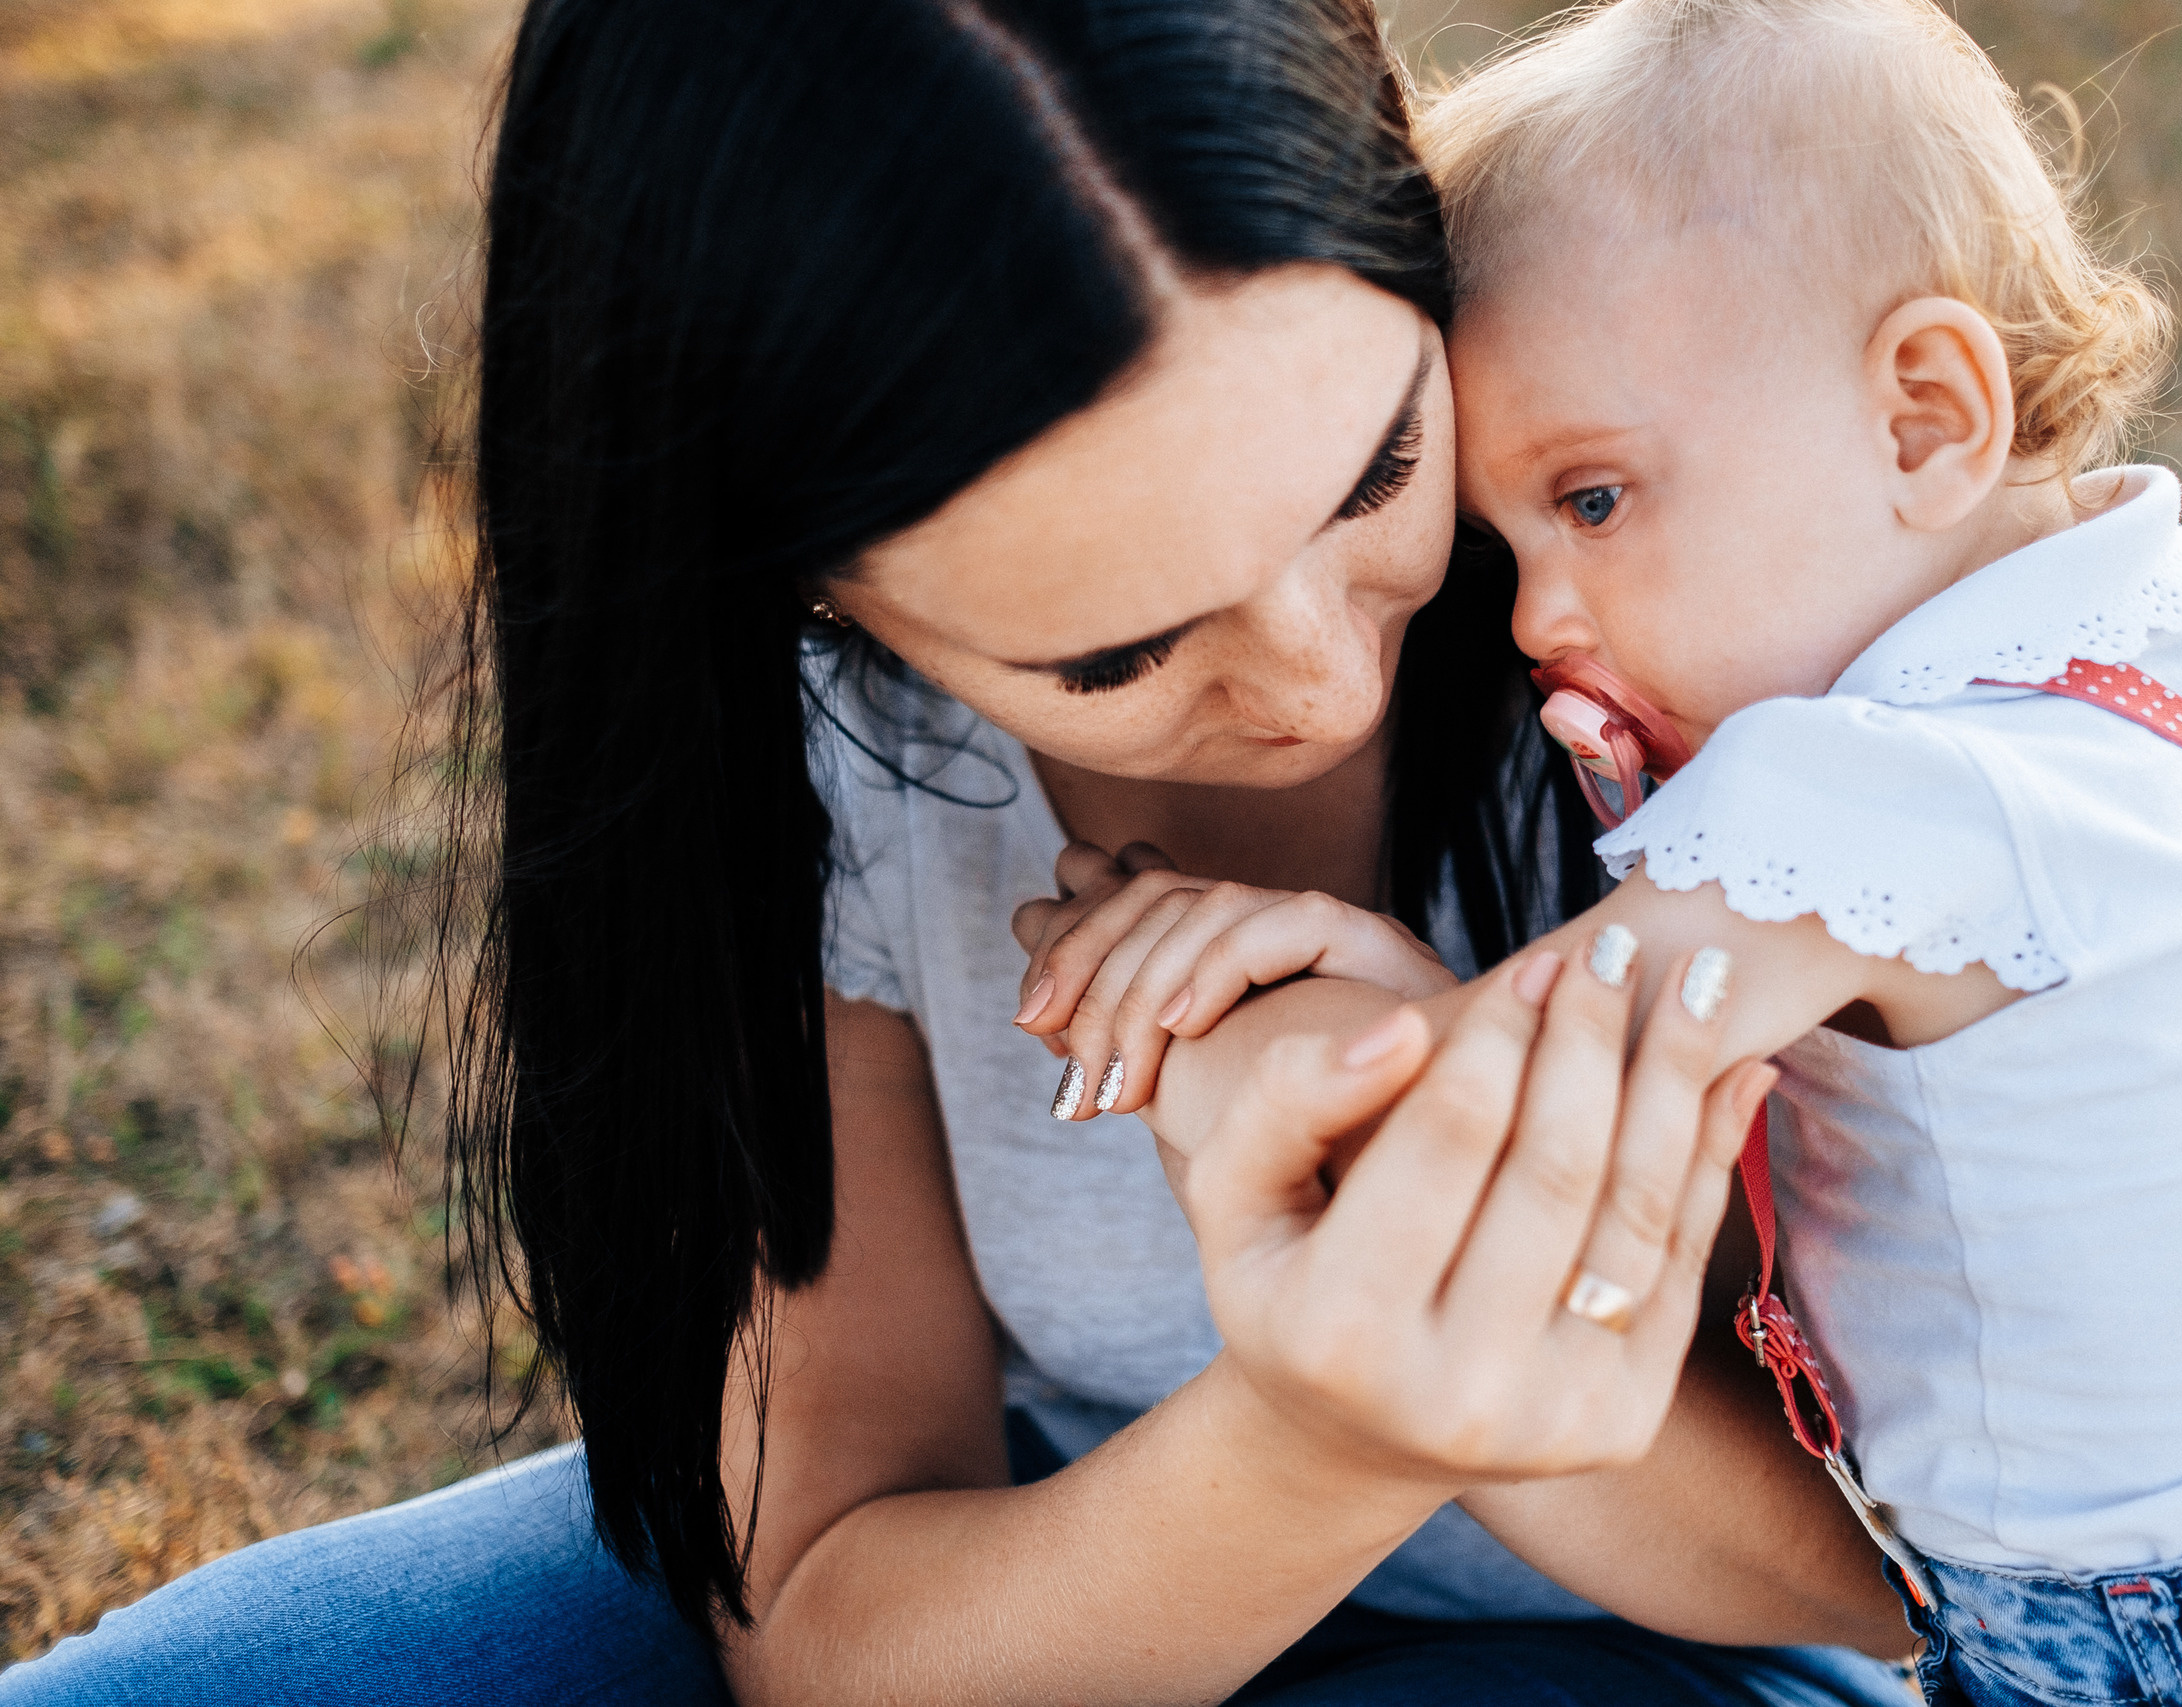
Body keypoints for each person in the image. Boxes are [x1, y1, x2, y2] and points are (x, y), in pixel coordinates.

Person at [0, 1, 1915, 1701]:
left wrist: (1423, 1248)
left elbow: (1920, 1581)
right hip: (1052, 1555)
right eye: (1110, 650)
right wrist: (1319, 1435)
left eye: (1378, 474)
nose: (1324, 681)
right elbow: (832, 1618)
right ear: (800, 589)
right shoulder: (827, 771)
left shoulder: (1746, 602)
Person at [1013, 2, 2182, 1701]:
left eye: (1591, 500)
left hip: (2147, 1626)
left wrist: (1360, 986)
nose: (1533, 614)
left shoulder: (1837, 796)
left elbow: (1528, 1109)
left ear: (1922, 417)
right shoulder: (2177, 608)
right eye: (1506, 538)